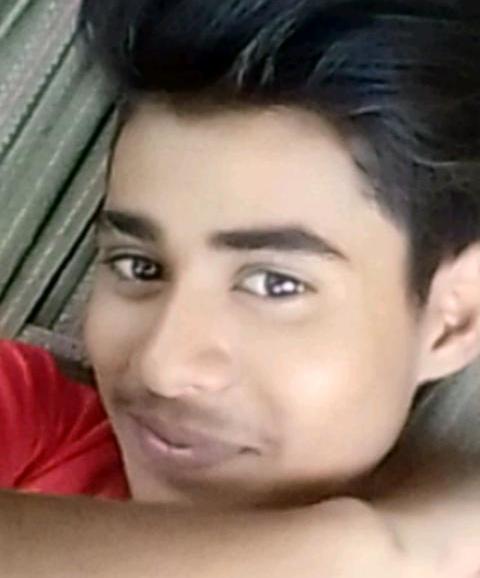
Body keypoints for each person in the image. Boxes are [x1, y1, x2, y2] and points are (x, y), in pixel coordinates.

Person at [1, 0, 480, 575]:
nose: (162, 368)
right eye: (138, 266)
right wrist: (352, 553)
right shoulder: (42, 422)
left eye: (275, 284)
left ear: (453, 320)